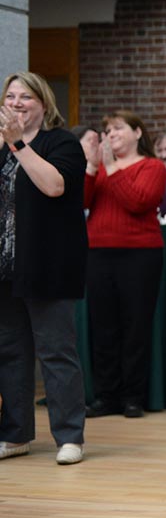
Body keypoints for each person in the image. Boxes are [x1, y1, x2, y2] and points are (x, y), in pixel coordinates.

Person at [0, 71, 89, 465]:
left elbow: (53, 186)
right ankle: (16, 434)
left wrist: (18, 143)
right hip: (7, 266)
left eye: (26, 97)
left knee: (55, 353)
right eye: (11, 96)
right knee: (11, 352)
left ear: (43, 103)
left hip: (48, 265)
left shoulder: (62, 143)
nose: (17, 103)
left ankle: (69, 436)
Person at [83, 110, 166, 419]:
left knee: (135, 327)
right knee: (103, 327)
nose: (111, 134)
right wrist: (92, 167)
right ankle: (107, 396)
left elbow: (139, 201)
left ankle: (133, 396)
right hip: (99, 253)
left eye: (118, 128)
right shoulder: (100, 168)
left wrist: (109, 167)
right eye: (108, 130)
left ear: (137, 133)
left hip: (140, 254)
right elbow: (81, 201)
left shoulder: (152, 166)